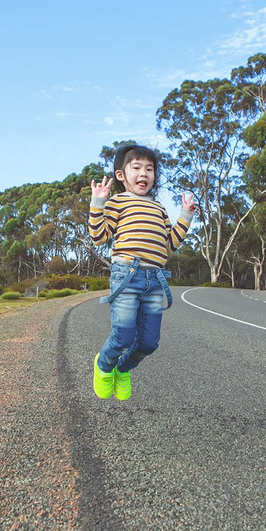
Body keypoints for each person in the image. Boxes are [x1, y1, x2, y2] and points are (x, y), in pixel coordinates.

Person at [88, 144, 195, 401]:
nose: (143, 173)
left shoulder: (158, 208)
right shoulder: (117, 202)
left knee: (149, 342)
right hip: (126, 276)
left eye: (149, 169)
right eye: (136, 167)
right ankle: (104, 366)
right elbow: (99, 236)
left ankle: (123, 370)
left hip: (156, 280)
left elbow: (168, 246)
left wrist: (185, 217)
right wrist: (98, 202)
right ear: (121, 175)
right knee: (123, 334)